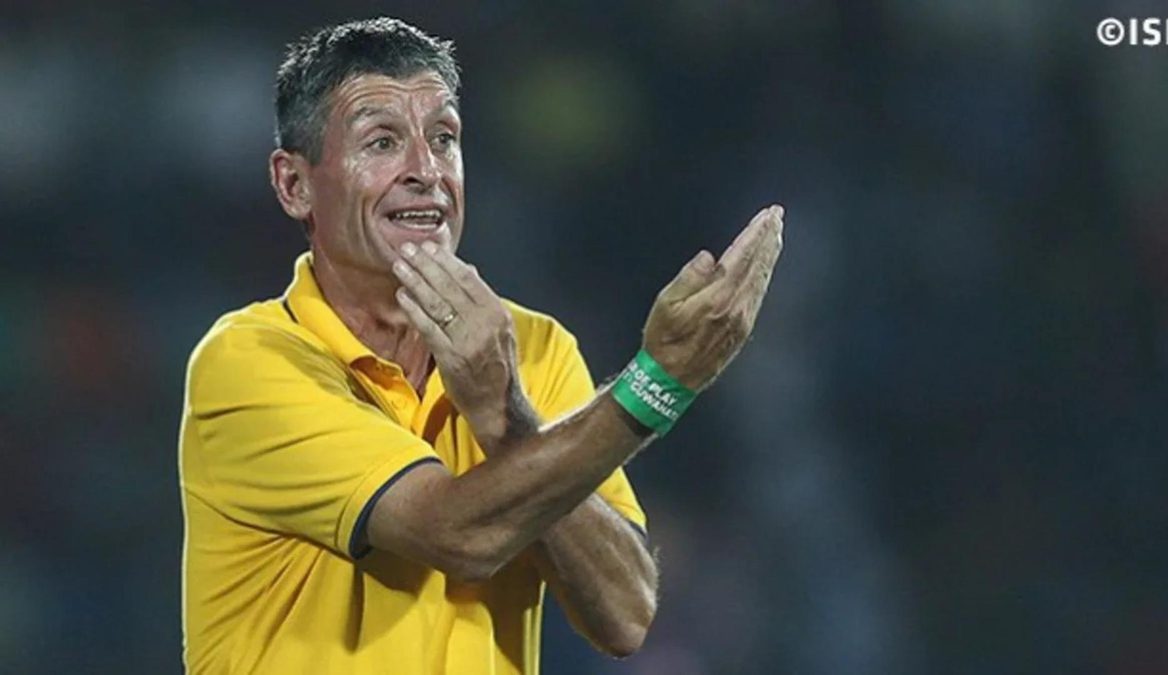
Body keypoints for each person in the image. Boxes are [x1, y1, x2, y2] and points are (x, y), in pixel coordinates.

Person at [178, 16, 784, 675]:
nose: (426, 171)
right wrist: (658, 382)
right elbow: (459, 536)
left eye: (444, 139)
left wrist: (508, 419)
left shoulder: (535, 347)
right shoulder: (249, 362)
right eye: (382, 142)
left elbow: (624, 613)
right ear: (294, 185)